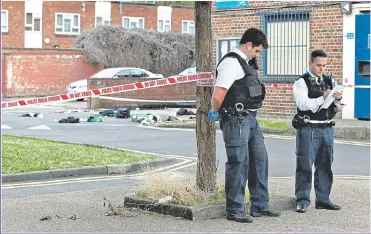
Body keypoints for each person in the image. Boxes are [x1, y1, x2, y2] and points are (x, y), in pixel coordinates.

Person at [208, 28, 281, 223]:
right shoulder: (231, 63)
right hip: (235, 118)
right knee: (238, 162)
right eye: (257, 51)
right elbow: (218, 94)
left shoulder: (246, 63)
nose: (257, 55)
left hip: (250, 119)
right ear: (248, 45)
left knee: (259, 160)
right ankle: (235, 209)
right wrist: (215, 112)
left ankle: (260, 204)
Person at [292, 49, 343, 213]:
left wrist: (338, 99)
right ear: (310, 63)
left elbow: (339, 107)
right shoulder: (301, 82)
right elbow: (302, 104)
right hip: (309, 128)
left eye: (324, 65)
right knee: (304, 165)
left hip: (326, 127)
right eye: (319, 65)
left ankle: (323, 199)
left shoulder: (330, 80)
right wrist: (322, 97)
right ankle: (302, 199)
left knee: (325, 165)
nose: (322, 69)